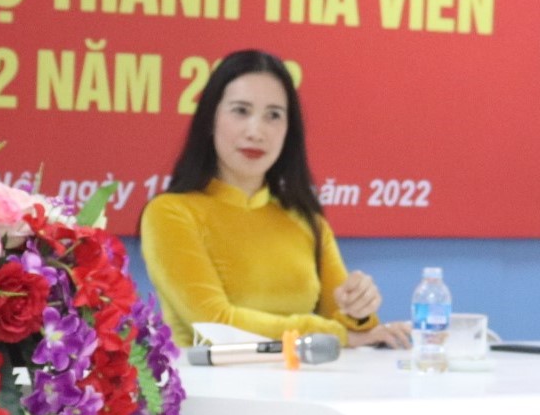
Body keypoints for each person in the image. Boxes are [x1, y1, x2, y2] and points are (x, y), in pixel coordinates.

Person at [140, 49, 409, 349]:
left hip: (305, 379)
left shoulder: (307, 221)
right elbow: (216, 323)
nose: (256, 132)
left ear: (288, 130)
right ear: (210, 120)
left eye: (273, 115)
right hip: (209, 378)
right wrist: (334, 334)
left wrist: (359, 310)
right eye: (241, 111)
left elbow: (350, 326)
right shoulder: (170, 213)